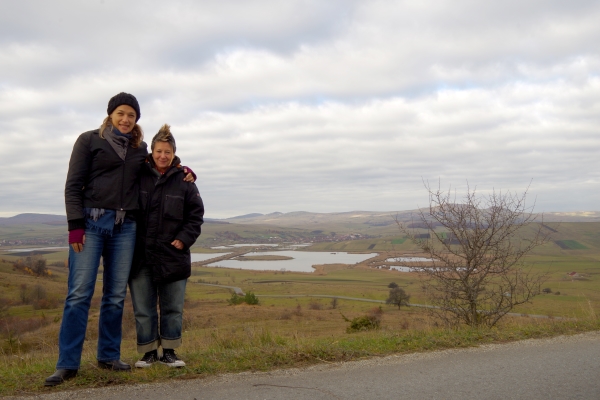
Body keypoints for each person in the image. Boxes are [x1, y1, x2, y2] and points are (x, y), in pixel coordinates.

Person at [46, 93, 195, 386]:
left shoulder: (140, 149)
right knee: (79, 294)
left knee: (115, 296)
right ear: (111, 114)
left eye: (131, 115)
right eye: (121, 113)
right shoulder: (89, 141)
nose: (126, 119)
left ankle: (109, 356)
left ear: (136, 119)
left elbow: (159, 165)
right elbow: (73, 184)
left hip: (125, 227)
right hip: (90, 224)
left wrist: (182, 169)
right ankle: (67, 364)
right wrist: (75, 224)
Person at [129, 124, 204, 368]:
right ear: (151, 152)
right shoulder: (137, 176)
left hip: (173, 254)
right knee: (143, 308)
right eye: (159, 151)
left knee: (172, 308)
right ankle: (148, 352)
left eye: (168, 152)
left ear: (174, 154)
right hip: (140, 255)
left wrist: (183, 239)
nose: (163, 156)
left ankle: (170, 352)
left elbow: (196, 215)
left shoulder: (185, 181)